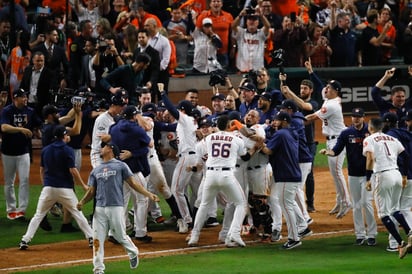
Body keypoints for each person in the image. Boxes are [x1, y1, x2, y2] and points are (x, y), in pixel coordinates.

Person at [77, 141, 159, 273]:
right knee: (97, 239)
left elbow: (133, 183)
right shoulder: (96, 170)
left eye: (104, 146)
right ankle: (98, 269)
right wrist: (82, 202)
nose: (101, 148)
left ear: (110, 149)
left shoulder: (121, 166)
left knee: (120, 235)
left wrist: (148, 194)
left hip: (115, 206)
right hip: (99, 208)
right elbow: (92, 191)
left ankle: (133, 253)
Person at [19, 125, 93, 250]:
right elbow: (73, 170)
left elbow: (42, 170)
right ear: (64, 136)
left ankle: (25, 240)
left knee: (38, 215)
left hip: (48, 188)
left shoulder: (46, 149)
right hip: (65, 189)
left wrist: (45, 184)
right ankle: (91, 238)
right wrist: (83, 185)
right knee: (77, 213)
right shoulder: (67, 150)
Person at [188, 115, 254, 247]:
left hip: (210, 175)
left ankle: (194, 236)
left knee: (204, 205)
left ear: (217, 126)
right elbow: (245, 157)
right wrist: (255, 148)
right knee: (241, 204)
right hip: (227, 174)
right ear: (230, 126)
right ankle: (234, 233)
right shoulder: (236, 139)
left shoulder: (208, 138)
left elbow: (201, 149)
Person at [319, 108, 377, 246]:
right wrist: (328, 152)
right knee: (356, 205)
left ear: (363, 117)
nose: (355, 119)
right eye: (353, 116)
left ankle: (372, 234)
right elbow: (336, 150)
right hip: (353, 175)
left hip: (368, 174)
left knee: (366, 203)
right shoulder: (346, 133)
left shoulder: (370, 132)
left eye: (358, 116)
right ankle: (360, 234)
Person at [362, 117, 412, 259]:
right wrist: (403, 175)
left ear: (370, 128)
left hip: (382, 176)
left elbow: (370, 158)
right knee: (395, 209)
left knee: (383, 214)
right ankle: (410, 232)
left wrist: (367, 178)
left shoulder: (370, 139)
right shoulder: (392, 139)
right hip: (396, 174)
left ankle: (401, 243)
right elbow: (406, 155)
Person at [260, 112, 308, 250]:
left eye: (277, 120)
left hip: (285, 175)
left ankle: (294, 238)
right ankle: (303, 228)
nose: (274, 122)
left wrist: (260, 144)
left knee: (286, 207)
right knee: (289, 204)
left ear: (285, 121)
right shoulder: (291, 133)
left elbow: (268, 150)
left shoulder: (281, 134)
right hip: (292, 174)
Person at [305, 79, 351, 218]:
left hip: (338, 140)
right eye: (327, 87)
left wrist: (294, 120)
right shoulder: (330, 99)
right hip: (331, 140)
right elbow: (320, 86)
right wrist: (311, 73)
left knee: (337, 173)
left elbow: (312, 117)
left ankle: (346, 202)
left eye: (329, 88)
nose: (326, 89)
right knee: (334, 174)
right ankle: (339, 201)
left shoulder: (332, 105)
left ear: (335, 91)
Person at [280, 60, 319, 212]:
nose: (302, 90)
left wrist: (290, 92)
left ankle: (310, 202)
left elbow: (304, 106)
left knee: (308, 174)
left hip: (308, 143)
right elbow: (287, 100)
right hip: (293, 142)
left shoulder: (314, 103)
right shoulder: (293, 103)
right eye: (301, 88)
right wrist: (283, 84)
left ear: (310, 90)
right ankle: (298, 204)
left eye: (305, 88)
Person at [159, 83, 198, 233]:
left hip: (187, 158)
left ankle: (187, 220)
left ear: (182, 110)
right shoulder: (187, 123)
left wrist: (163, 93)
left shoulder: (186, 119)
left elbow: (171, 109)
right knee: (182, 190)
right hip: (189, 156)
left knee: (176, 190)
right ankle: (188, 219)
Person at [1, 88, 42, 220]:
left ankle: (22, 210)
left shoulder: (30, 111)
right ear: (15, 98)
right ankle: (11, 209)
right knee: (9, 182)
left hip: (24, 151)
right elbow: (4, 127)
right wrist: (21, 129)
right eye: (23, 97)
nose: (25, 99)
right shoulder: (7, 111)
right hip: (8, 152)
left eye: (26, 96)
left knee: (24, 180)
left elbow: (39, 124)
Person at [196, 0, 233, 69]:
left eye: (218, 1)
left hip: (223, 52)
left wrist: (233, 47)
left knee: (223, 76)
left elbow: (232, 34)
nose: (216, 3)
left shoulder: (228, 16)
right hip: (207, 53)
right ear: (210, 4)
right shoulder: (203, 16)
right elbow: (197, 33)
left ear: (222, 4)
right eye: (214, 1)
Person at [19, 51, 58, 118]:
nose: (40, 63)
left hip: (41, 105)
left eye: (41, 61)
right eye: (37, 61)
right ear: (33, 60)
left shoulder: (49, 73)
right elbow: (22, 85)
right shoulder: (28, 70)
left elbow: (51, 90)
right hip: (28, 103)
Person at [231, 8, 270, 72]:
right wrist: (240, 16)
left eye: (254, 20)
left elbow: (267, 26)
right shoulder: (241, 33)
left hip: (258, 70)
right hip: (242, 69)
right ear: (246, 22)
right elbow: (233, 26)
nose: (252, 22)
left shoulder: (261, 34)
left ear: (257, 23)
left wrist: (261, 16)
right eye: (250, 19)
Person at [134, 29, 160, 101]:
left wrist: (151, 81)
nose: (141, 39)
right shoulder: (136, 51)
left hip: (149, 82)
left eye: (143, 37)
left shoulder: (154, 52)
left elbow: (156, 69)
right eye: (139, 37)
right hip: (137, 83)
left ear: (148, 38)